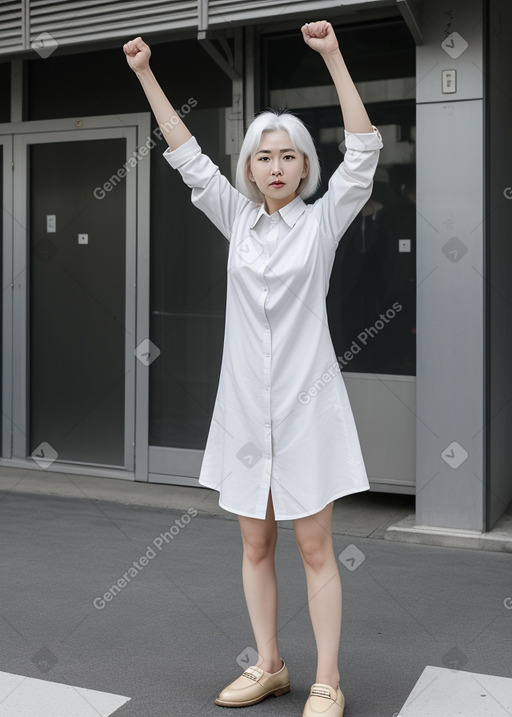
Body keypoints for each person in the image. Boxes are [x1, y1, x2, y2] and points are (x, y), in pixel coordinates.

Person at [124, 21, 382, 717]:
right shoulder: (237, 219)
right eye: (263, 156)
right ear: (250, 169)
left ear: (304, 168)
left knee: (315, 543)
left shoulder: (323, 223)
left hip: (308, 407)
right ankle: (268, 662)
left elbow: (363, 151)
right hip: (244, 410)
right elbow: (185, 154)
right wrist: (147, 73)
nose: (274, 166)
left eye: (287, 156)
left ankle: (328, 677)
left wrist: (332, 55)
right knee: (255, 539)